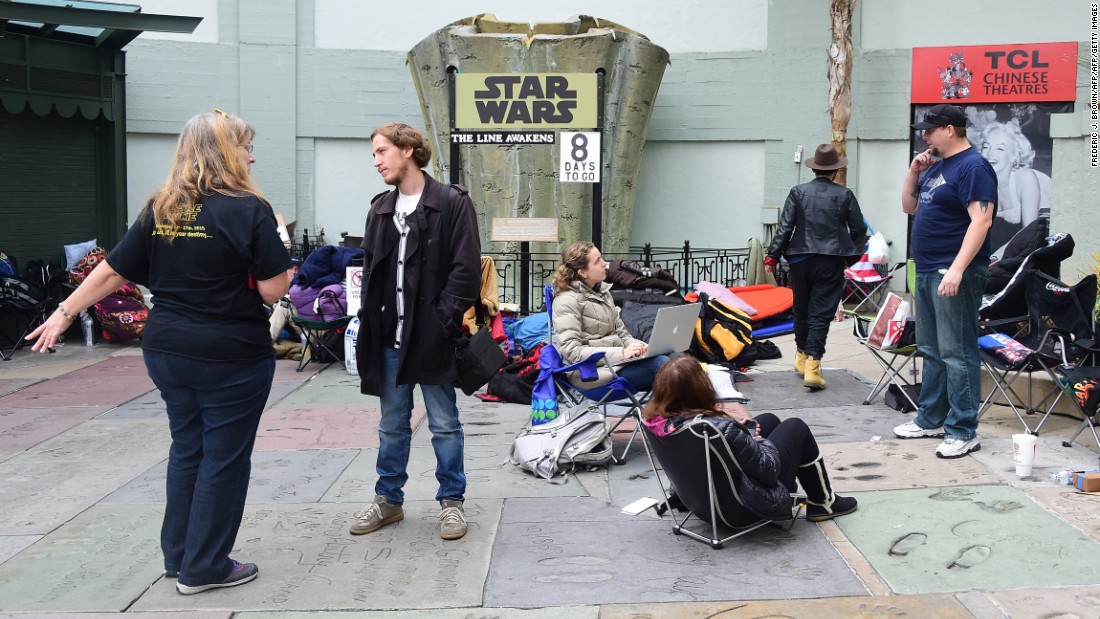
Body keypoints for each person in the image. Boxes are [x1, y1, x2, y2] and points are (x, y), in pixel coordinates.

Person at [27, 109, 293, 594]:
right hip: (230, 352)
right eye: (245, 147)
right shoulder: (249, 209)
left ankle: (179, 556)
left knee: (188, 448)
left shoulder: (161, 207)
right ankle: (205, 567)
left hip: (167, 348)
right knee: (224, 457)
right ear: (223, 152)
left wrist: (63, 312)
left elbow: (112, 271)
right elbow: (274, 290)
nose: (251, 156)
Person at [350, 123, 480, 541]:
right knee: (392, 424)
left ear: (407, 150)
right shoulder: (380, 208)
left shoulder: (451, 202)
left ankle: (452, 503)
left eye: (381, 152)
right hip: (389, 339)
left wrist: (443, 320)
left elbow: (465, 271)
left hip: (434, 337)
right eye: (375, 153)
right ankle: (388, 500)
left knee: (444, 423)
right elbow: (371, 271)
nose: (376, 161)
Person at [893, 103, 996, 459]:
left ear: (949, 129)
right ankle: (930, 419)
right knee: (931, 349)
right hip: (925, 269)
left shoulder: (973, 166)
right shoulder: (938, 167)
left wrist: (956, 269)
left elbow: (981, 221)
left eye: (930, 130)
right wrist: (913, 172)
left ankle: (964, 430)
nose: (925, 136)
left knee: (957, 351)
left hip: (952, 272)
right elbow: (909, 207)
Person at [643, 355, 857, 522]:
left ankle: (815, 496)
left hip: (701, 501)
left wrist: (744, 435)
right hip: (744, 508)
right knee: (795, 427)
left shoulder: (657, 421)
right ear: (700, 389)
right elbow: (769, 471)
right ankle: (823, 503)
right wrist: (755, 441)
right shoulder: (717, 427)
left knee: (769, 419)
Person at [764, 143, 866, 391]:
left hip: (799, 259)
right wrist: (849, 254)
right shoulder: (844, 195)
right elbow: (859, 229)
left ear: (814, 169)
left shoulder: (798, 192)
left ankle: (800, 357)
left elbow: (785, 228)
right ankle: (813, 365)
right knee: (820, 314)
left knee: (801, 310)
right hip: (830, 260)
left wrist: (772, 256)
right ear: (834, 171)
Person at [551, 241, 668, 391]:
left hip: (618, 363)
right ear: (582, 272)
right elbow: (572, 352)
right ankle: (674, 411)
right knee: (664, 364)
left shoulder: (603, 293)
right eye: (597, 261)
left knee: (674, 356)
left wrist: (643, 347)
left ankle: (678, 410)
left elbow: (623, 335)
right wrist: (622, 354)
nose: (604, 263)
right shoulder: (566, 301)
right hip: (590, 374)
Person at [976, 120, 1052, 261]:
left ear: (1014, 156)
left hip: (1031, 251)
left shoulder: (1025, 178)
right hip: (995, 255)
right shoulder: (980, 180)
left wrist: (994, 258)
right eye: (986, 147)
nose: (990, 154)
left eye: (1000, 149)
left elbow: (1030, 232)